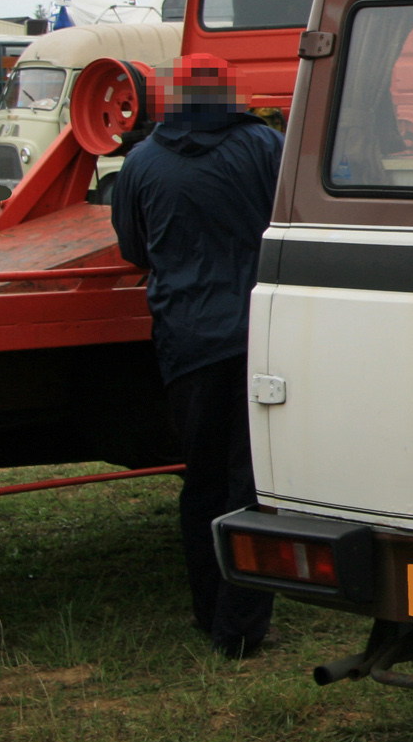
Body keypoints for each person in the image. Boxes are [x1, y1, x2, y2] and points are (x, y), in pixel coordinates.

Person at [112, 55, 285, 658]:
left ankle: (205, 610)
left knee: (201, 480)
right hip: (256, 340)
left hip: (185, 342)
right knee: (251, 482)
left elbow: (134, 249)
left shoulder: (141, 162)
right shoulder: (265, 146)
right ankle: (239, 627)